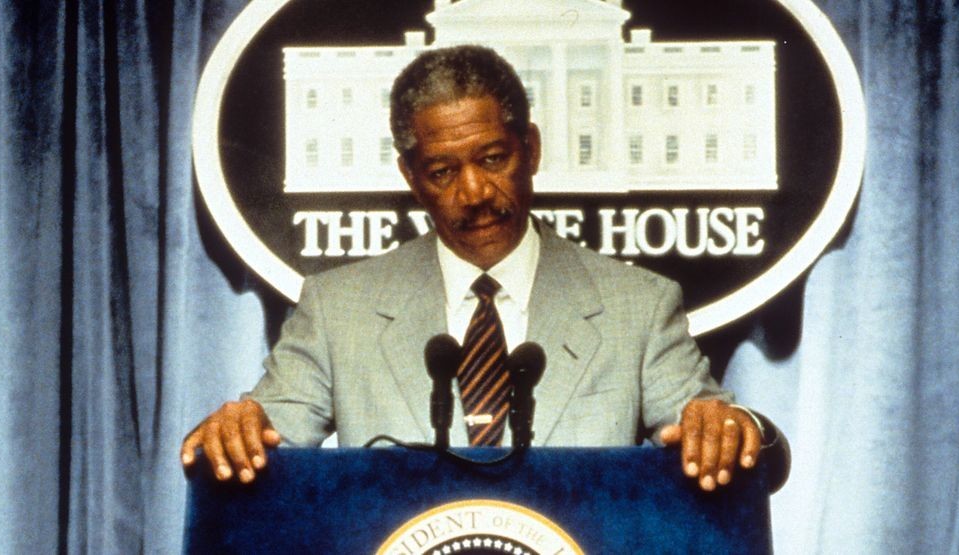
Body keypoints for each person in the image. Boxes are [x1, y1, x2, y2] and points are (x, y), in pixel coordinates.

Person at [181, 45, 785, 492]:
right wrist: (239, 427)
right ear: (411, 180)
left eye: (493, 158)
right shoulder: (338, 308)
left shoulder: (640, 305)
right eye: (444, 171)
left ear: (532, 151)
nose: (473, 191)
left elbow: (709, 423)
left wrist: (727, 426)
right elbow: (266, 432)